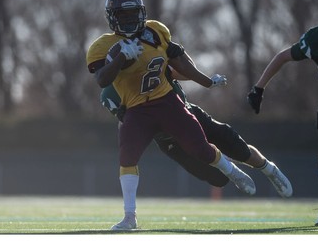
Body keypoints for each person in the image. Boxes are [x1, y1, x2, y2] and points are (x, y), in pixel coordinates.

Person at [87, 0, 254, 231]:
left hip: (166, 101)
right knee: (127, 157)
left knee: (202, 149)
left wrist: (206, 81)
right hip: (136, 108)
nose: (130, 20)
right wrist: (120, 58)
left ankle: (232, 170)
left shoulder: (155, 30)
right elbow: (102, 80)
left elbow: (179, 60)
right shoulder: (103, 46)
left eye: (133, 14)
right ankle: (129, 217)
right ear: (112, 18)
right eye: (123, 16)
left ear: (142, 13)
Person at [101, 68, 293, 196]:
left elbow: (176, 71)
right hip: (169, 139)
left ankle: (269, 169)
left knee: (239, 149)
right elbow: (127, 123)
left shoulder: (145, 61)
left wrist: (206, 80)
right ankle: (225, 163)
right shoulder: (109, 93)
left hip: (189, 116)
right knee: (218, 179)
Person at [247, 25, 318, 226]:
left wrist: (259, 88)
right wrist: (259, 88)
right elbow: (282, 56)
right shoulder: (316, 38)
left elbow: (282, 57)